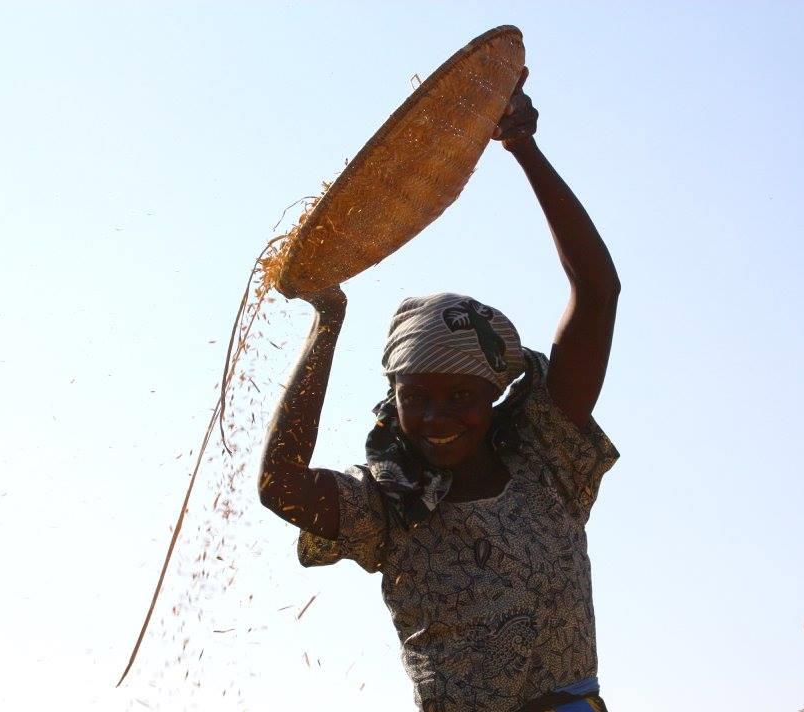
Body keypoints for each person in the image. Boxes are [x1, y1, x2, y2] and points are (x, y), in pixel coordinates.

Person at [258, 67, 621, 712]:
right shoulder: (389, 507)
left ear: (493, 394)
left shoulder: (549, 459)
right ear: (392, 398)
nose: (436, 416)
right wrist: (327, 322)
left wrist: (525, 151)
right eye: (416, 395)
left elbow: (597, 292)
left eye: (460, 396)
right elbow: (280, 483)